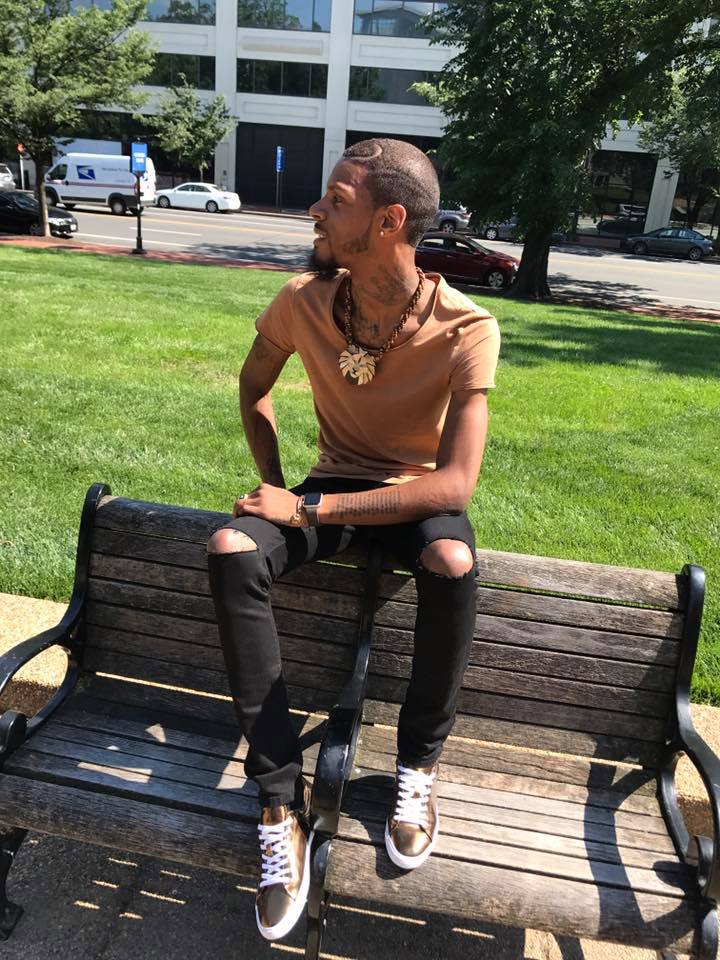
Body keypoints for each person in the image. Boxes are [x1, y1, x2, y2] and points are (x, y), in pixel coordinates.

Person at [207, 138, 501, 942]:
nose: (316, 210)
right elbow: (253, 385)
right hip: (330, 484)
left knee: (453, 558)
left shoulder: (467, 326)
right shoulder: (303, 299)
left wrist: (307, 511)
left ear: (388, 221)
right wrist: (277, 487)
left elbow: (454, 488)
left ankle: (417, 768)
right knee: (232, 549)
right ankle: (280, 800)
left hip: (411, 495)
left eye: (336, 201)